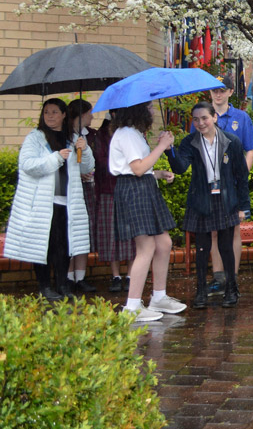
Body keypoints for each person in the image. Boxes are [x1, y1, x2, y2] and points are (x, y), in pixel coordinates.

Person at [5, 98, 95, 301]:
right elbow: (28, 164)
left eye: (55, 112)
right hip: (42, 203)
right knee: (43, 245)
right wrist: (56, 158)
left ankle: (63, 285)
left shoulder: (73, 138)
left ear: (64, 114)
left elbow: (85, 168)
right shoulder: (35, 138)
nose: (50, 116)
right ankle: (44, 286)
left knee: (64, 245)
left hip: (67, 201)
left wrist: (85, 149)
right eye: (47, 112)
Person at [167, 101, 251, 309]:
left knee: (226, 247)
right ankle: (201, 291)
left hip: (225, 199)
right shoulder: (189, 142)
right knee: (202, 248)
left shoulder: (231, 141)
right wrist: (169, 150)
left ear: (214, 117)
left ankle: (231, 288)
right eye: (196, 120)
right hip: (201, 200)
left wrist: (243, 207)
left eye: (204, 118)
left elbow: (241, 176)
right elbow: (180, 168)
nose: (200, 123)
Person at [109, 101, 185, 322]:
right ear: (137, 110)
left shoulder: (133, 133)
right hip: (135, 191)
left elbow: (141, 168)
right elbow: (137, 168)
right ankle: (132, 306)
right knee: (147, 246)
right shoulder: (127, 134)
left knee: (164, 243)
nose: (152, 111)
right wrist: (161, 146)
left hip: (142, 187)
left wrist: (158, 173)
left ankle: (159, 296)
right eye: (149, 108)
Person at [204, 75, 253, 294]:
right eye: (214, 90)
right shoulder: (202, 116)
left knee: (234, 230)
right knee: (214, 231)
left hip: (233, 185)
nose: (218, 94)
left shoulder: (241, 118)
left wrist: (241, 175)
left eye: (222, 90)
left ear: (230, 92)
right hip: (210, 183)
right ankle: (218, 278)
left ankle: (232, 278)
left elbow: (250, 148)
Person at [90, 117, 134, 292]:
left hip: (129, 189)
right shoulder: (100, 135)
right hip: (107, 189)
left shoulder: (132, 133)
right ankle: (115, 276)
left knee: (132, 233)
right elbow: (100, 161)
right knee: (110, 233)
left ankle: (130, 275)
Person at [65, 98, 99, 294]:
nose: (92, 116)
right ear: (80, 114)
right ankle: (68, 278)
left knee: (83, 232)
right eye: (89, 112)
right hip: (72, 189)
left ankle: (81, 277)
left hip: (87, 187)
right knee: (71, 232)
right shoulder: (65, 136)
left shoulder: (87, 136)